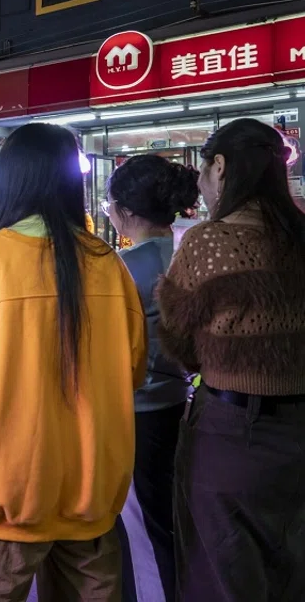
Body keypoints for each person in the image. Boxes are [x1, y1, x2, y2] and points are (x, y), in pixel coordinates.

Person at [0, 123, 147, 602]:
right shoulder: (108, 261)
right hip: (91, 489)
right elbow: (133, 368)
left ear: (12, 181)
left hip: (9, 487)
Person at [157, 118, 305, 601]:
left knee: (222, 572)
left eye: (202, 171)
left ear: (219, 167)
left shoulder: (208, 242)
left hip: (231, 431)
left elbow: (178, 342)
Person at [102, 155, 198, 602]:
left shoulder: (120, 267)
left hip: (135, 408)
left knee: (140, 525)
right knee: (169, 516)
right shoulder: (189, 251)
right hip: (181, 401)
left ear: (124, 211)